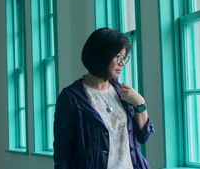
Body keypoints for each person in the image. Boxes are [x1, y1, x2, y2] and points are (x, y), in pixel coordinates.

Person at [54, 28, 154, 169]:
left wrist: (140, 103)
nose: (122, 63)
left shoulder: (124, 92)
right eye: (118, 57)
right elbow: (62, 152)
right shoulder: (71, 98)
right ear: (102, 55)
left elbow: (143, 136)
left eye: (124, 57)